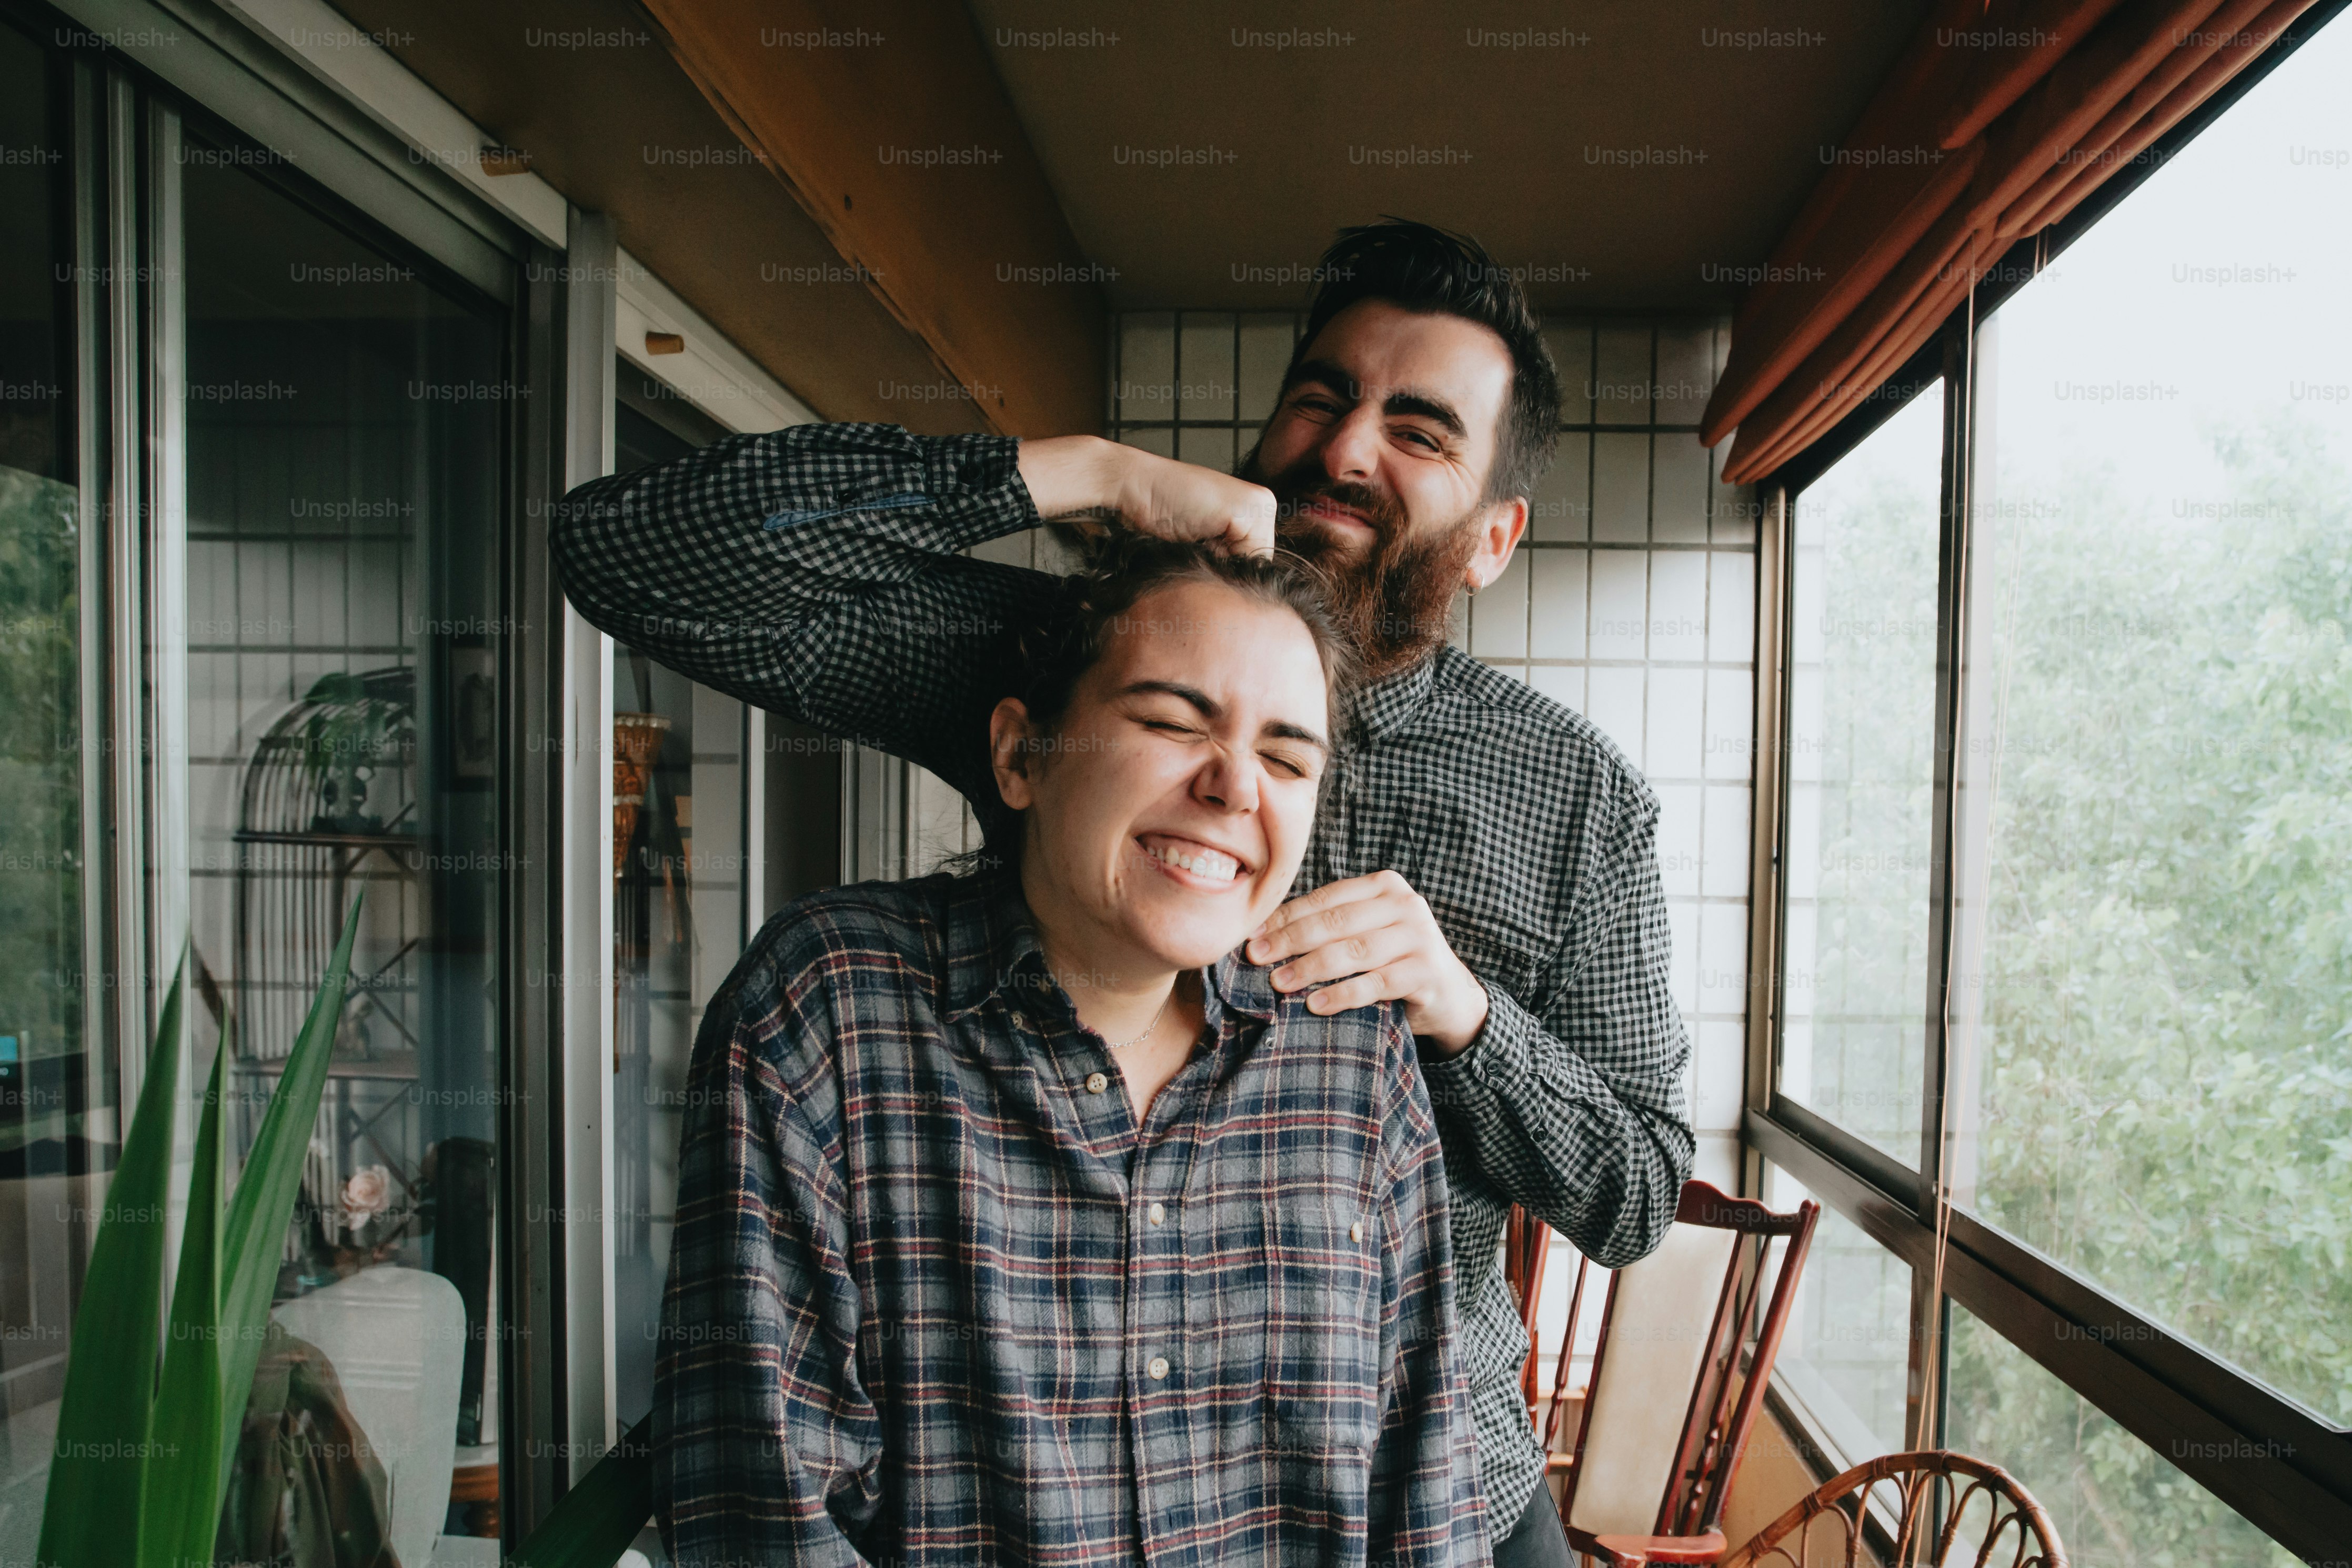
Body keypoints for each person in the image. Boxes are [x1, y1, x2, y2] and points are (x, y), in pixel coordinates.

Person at [556, 218, 1695, 1565]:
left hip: (1405, 1463)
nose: (1345, 447)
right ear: (1024, 747)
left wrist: (1461, 1014)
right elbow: (632, 547)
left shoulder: (1575, 795)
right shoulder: (1057, 663)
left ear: (1496, 534)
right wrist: (1069, 472)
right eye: (1323, 396)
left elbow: (1641, 1190)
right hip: (1035, 1436)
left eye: (1420, 430)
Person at [655, 542, 1485, 1565]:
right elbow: (764, 1516)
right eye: (1172, 721)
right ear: (1020, 755)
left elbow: (1426, 1488)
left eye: (1286, 756)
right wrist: (1081, 472)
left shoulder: (1352, 1047)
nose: (1233, 785)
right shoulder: (831, 1010)